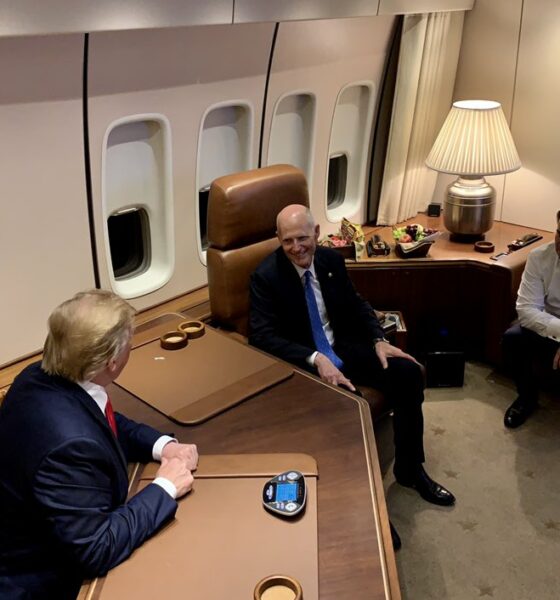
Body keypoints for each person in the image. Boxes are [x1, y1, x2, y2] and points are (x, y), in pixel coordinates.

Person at [249, 205, 455, 512]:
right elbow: (262, 336)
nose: (296, 248)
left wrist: (378, 339)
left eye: (303, 238)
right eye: (287, 241)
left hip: (344, 346)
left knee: (409, 374)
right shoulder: (266, 277)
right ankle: (365, 504)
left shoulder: (331, 260)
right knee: (351, 404)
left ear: (317, 233)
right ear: (277, 238)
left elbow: (357, 303)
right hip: (307, 364)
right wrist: (316, 358)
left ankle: (410, 470)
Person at [0, 290, 198, 599]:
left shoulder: (37, 376)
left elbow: (100, 421)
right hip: (41, 579)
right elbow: (96, 548)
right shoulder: (69, 445)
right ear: (113, 361)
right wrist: (164, 487)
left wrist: (161, 446)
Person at [503, 211, 560, 428]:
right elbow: (526, 311)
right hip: (548, 324)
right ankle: (527, 397)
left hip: (551, 326)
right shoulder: (539, 257)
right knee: (512, 338)